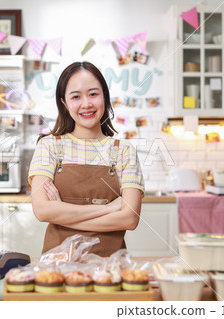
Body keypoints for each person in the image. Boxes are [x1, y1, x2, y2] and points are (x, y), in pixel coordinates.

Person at [28, 61, 144, 257]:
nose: (86, 104)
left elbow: (129, 219)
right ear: (64, 103)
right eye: (75, 96)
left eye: (93, 94)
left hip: (111, 270)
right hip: (57, 269)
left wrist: (62, 213)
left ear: (105, 98)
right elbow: (42, 211)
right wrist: (109, 209)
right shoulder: (49, 146)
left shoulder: (124, 150)